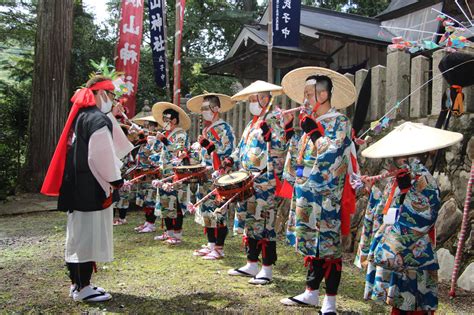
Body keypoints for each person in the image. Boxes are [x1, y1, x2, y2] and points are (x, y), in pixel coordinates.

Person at [41, 75, 133, 302]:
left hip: (77, 185)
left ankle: (80, 284)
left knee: (79, 235)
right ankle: (82, 288)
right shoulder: (96, 120)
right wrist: (117, 180)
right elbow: (101, 156)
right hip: (91, 187)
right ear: (102, 94)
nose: (113, 101)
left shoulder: (83, 116)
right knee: (87, 237)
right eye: (111, 96)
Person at [356, 122, 463, 314]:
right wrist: (373, 191)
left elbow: (425, 216)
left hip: (413, 249)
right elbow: (387, 208)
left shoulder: (423, 179)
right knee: (400, 302)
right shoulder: (398, 176)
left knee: (414, 303)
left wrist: (407, 192)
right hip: (398, 245)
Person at [279, 67, 358, 314]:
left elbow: (331, 155)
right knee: (310, 245)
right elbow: (298, 157)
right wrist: (291, 130)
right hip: (306, 194)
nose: (305, 99)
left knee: (328, 247)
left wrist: (313, 132)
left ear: (323, 96)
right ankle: (310, 292)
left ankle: (330, 301)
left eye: (309, 94)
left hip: (326, 198)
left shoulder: (339, 122)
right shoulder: (310, 123)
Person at [227, 80, 293, 285]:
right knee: (249, 220)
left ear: (265, 98)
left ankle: (267, 267)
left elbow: (283, 146)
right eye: (250, 99)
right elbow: (241, 147)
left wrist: (273, 136)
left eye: (254, 99)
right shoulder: (251, 123)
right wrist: (231, 160)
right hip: (248, 180)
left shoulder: (275, 118)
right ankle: (251, 262)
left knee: (265, 222)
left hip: (265, 180)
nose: (251, 102)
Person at [186, 93, 236, 260]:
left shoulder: (224, 129)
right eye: (202, 109)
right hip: (205, 175)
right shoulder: (207, 129)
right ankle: (211, 244)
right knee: (206, 210)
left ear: (216, 109)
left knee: (217, 210)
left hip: (218, 175)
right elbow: (202, 153)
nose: (203, 112)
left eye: (206, 108)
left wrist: (211, 148)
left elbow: (228, 153)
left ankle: (219, 247)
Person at [151, 102, 190, 245]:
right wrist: (156, 141)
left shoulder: (180, 133)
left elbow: (179, 150)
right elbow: (158, 151)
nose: (165, 122)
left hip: (175, 172)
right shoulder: (166, 133)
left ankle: (177, 233)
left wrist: (164, 140)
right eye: (164, 119)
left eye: (167, 119)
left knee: (176, 201)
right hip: (164, 171)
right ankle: (169, 231)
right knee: (165, 201)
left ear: (174, 120)